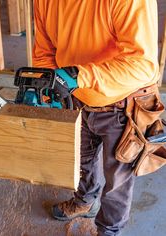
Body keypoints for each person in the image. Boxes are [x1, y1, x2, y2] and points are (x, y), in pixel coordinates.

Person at [32, 0, 159, 235]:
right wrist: (49, 88)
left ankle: (109, 231)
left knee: (117, 180)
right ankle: (85, 201)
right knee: (82, 160)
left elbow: (143, 65)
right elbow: (44, 52)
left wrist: (79, 76)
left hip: (123, 103)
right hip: (77, 96)